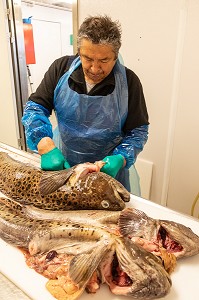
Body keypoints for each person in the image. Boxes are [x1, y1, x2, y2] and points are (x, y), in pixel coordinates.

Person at [22, 15, 149, 191]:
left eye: (104, 61)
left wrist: (121, 157)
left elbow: (138, 131)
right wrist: (44, 143)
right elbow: (35, 108)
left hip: (109, 176)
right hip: (63, 169)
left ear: (115, 56)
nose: (95, 69)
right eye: (88, 58)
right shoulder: (61, 69)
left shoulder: (129, 82)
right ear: (79, 51)